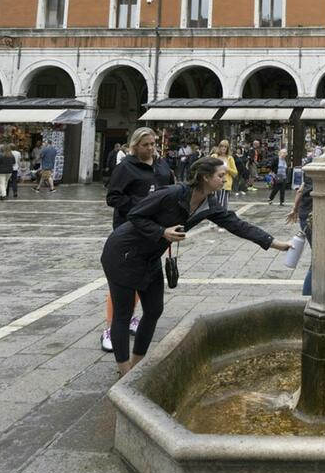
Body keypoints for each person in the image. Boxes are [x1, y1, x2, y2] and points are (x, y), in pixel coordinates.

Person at [100, 156, 291, 375]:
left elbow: (237, 225)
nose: (224, 179)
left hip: (149, 258)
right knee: (123, 315)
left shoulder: (208, 202)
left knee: (154, 310)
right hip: (122, 254)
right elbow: (134, 214)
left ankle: (137, 364)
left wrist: (275, 243)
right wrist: (162, 232)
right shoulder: (172, 193)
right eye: (221, 175)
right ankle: (124, 372)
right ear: (205, 177)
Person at [100, 127, 174, 352]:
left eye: (153, 144)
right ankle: (111, 326)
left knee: (145, 275)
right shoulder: (125, 168)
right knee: (123, 280)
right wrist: (140, 208)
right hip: (129, 231)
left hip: (154, 232)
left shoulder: (162, 165)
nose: (150, 148)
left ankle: (131, 318)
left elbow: (169, 188)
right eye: (145, 145)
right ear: (135, 146)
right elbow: (113, 197)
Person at [287, 166, 315, 295]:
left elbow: (299, 191)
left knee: (317, 255)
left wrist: (294, 209)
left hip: (304, 217)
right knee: (319, 257)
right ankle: (307, 293)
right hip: (313, 220)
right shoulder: (319, 183)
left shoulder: (307, 181)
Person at [212, 140, 238, 210]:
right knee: (214, 203)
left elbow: (235, 173)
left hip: (225, 184)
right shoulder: (214, 156)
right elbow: (209, 168)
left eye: (225, 147)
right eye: (222, 146)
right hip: (215, 183)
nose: (223, 148)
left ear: (227, 148)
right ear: (219, 147)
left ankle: (222, 219)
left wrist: (227, 169)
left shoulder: (230, 158)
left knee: (223, 205)